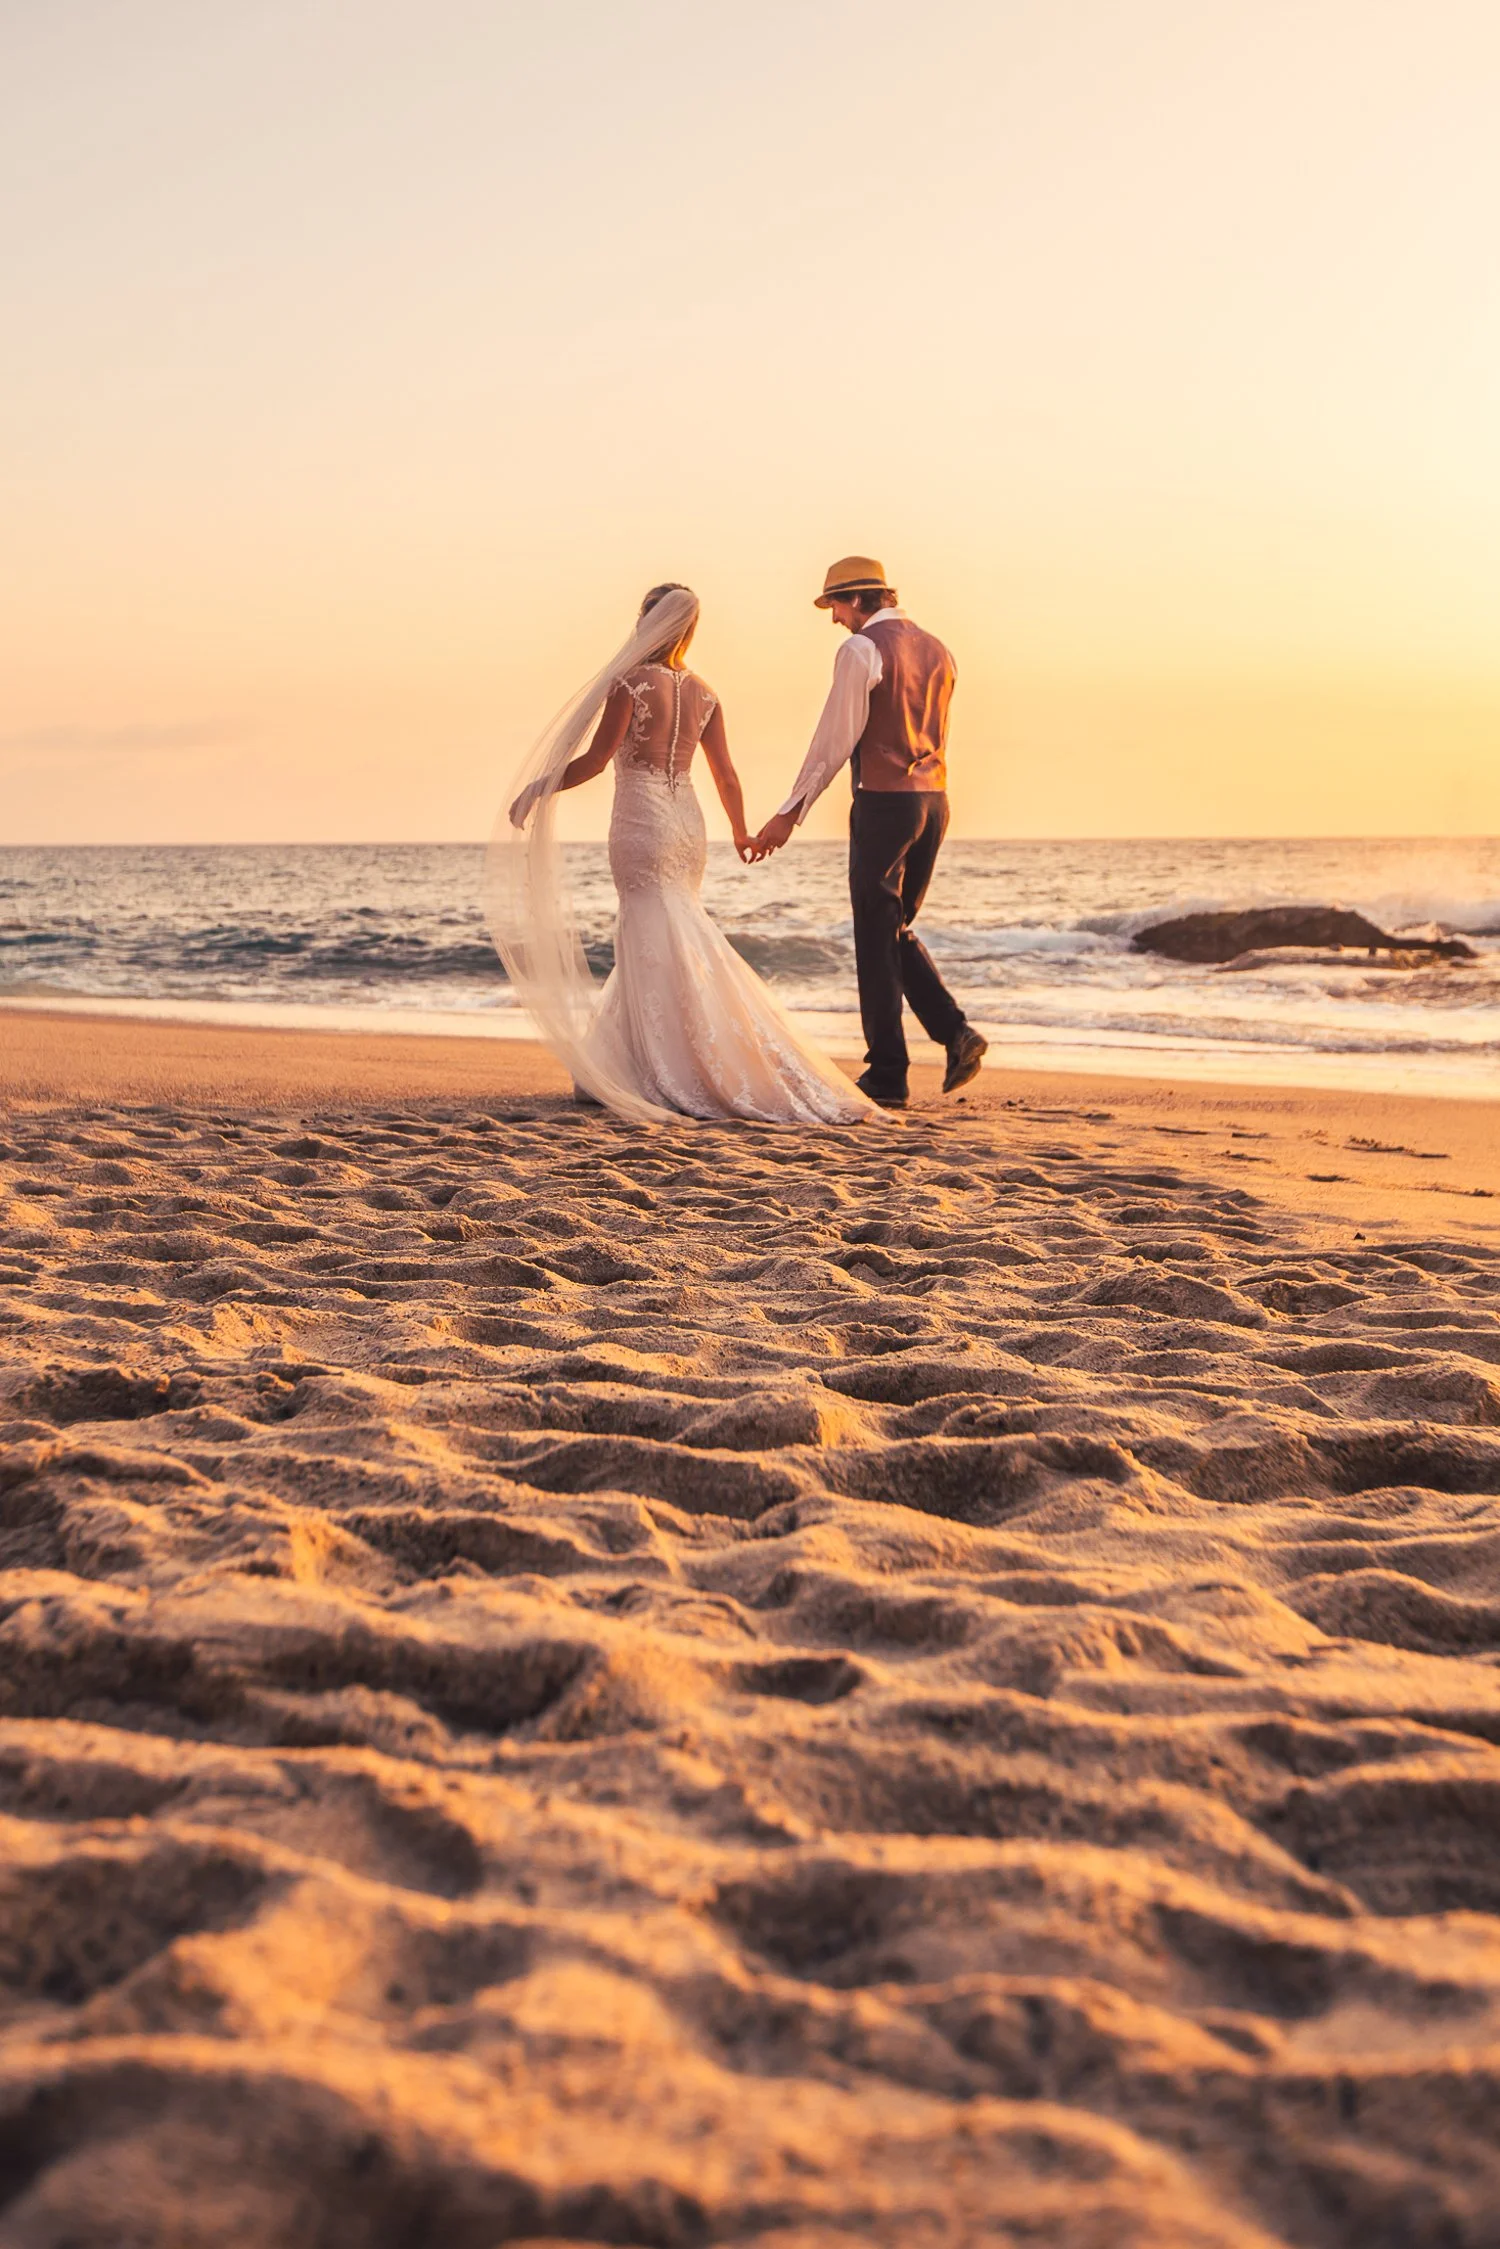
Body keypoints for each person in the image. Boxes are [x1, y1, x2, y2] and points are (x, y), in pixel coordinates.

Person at [491, 584, 876, 1126]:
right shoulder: (706, 692)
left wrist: (542, 785)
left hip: (642, 820)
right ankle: (655, 1055)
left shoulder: (629, 683)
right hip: (686, 823)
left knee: (648, 929)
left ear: (649, 622)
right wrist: (741, 833)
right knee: (673, 928)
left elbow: (598, 761)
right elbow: (725, 774)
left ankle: (661, 1066)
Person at [750, 556, 986, 1110]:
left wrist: (791, 809)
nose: (833, 619)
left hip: (884, 803)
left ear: (856, 599)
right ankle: (955, 1035)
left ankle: (887, 1073)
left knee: (875, 935)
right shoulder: (939, 648)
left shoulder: (861, 649)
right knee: (893, 928)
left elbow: (836, 736)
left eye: (833, 605)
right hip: (935, 802)